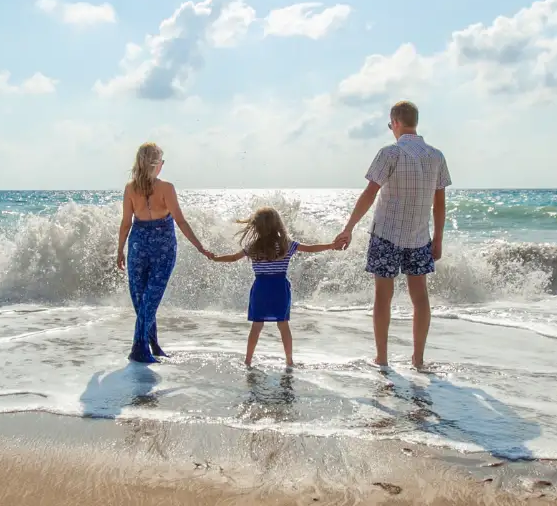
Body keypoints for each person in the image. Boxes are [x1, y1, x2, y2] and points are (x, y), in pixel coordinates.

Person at [334, 101, 451, 370]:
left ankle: (382, 358)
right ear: (415, 122)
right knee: (420, 299)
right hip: (420, 237)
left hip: (386, 234)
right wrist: (439, 238)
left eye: (390, 125)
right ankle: (418, 360)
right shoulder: (436, 156)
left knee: (383, 298)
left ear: (395, 122)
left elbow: (369, 193)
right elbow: (440, 204)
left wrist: (349, 227)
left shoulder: (390, 153)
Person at [117, 142, 212, 363]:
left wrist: (120, 249)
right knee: (148, 299)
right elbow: (180, 220)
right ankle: (140, 347)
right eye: (161, 161)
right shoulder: (166, 188)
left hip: (138, 244)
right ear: (157, 164)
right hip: (162, 246)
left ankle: (151, 345)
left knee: (144, 299)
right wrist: (199, 246)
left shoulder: (131, 188)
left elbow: (125, 223)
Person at [211, 206, 335, 367]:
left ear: (256, 227)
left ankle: (248, 360)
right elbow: (310, 248)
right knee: (283, 325)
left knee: (256, 326)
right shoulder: (286, 245)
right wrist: (331, 245)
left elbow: (234, 258)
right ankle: (289, 361)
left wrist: (215, 258)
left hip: (261, 289)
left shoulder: (253, 246)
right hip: (279, 289)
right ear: (278, 224)